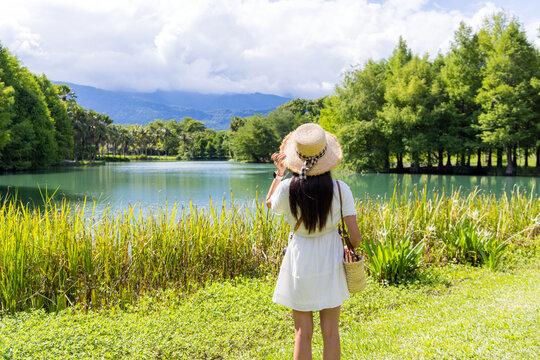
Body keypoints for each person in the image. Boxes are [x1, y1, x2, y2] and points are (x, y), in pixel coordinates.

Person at [265, 123, 362, 360]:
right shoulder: (341, 189)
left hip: (300, 257)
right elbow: (356, 239)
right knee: (330, 332)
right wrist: (347, 243)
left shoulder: (288, 188)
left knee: (302, 333)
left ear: (296, 158)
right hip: (331, 257)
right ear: (326, 156)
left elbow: (269, 202)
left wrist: (279, 174)